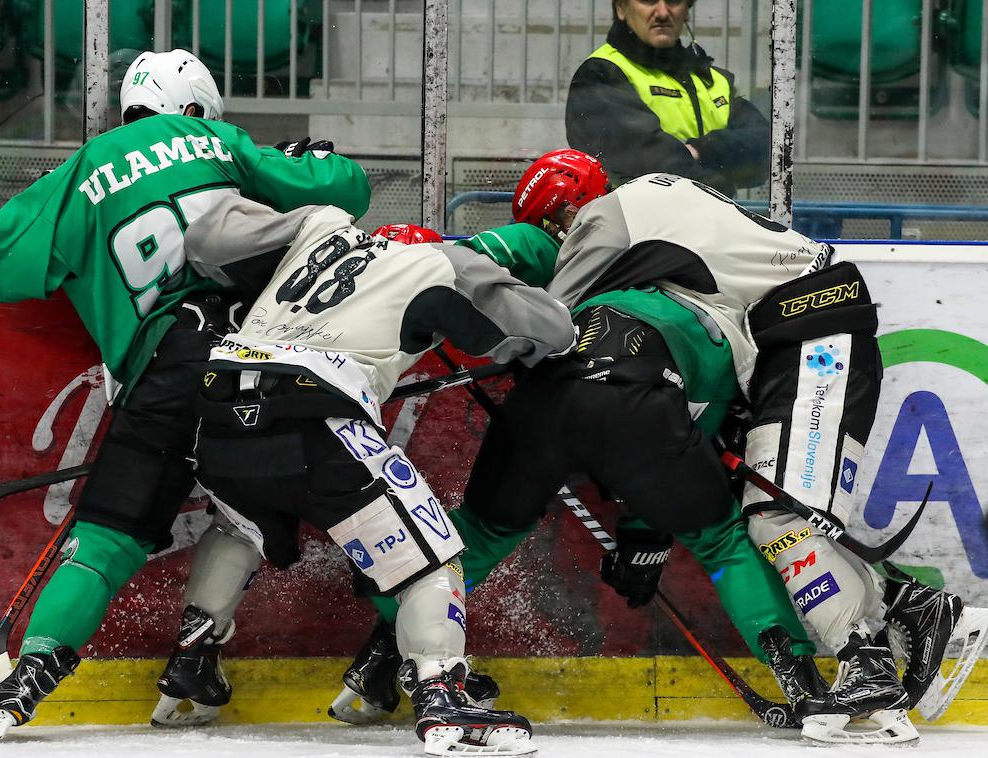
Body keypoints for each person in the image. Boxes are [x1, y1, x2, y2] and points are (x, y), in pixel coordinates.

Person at [340, 150, 988, 744]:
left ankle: (876, 654)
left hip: (810, 329)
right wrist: (647, 524)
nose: (559, 239)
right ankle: (880, 632)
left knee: (778, 514)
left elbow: (552, 329)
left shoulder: (605, 224)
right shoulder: (661, 237)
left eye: (554, 224)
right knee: (761, 519)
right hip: (772, 343)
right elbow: (665, 417)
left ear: (573, 208)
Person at [0, 49, 371, 741]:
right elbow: (345, 190)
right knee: (253, 510)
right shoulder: (219, 141)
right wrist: (305, 159)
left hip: (159, 371)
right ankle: (199, 660)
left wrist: (67, 202)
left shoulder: (84, 168)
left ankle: (29, 680)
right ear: (198, 108)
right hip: (252, 355)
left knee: (106, 536)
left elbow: (4, 270)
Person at [167, 194, 577, 755]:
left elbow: (207, 238)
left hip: (218, 407)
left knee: (242, 524)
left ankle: (192, 654)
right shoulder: (440, 263)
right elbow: (553, 331)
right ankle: (442, 690)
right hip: (319, 405)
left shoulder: (319, 228)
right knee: (430, 556)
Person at [565, 0, 769, 197]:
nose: (662, 13)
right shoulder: (601, 73)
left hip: (706, 224)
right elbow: (648, 165)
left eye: (673, 1)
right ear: (621, 8)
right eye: (648, 0)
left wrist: (703, 149)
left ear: (687, 10)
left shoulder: (713, 80)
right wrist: (722, 190)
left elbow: (769, 150)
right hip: (636, 228)